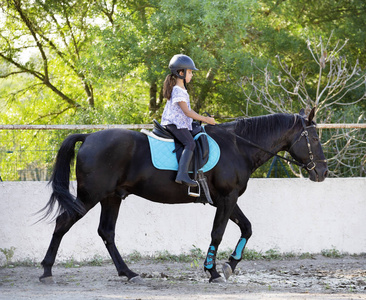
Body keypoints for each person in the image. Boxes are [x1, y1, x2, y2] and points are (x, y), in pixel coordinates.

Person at [161, 54, 216, 187]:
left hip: (179, 123)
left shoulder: (181, 89)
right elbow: (187, 112)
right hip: (174, 124)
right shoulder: (178, 91)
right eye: (190, 72)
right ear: (181, 73)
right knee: (190, 143)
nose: (191, 75)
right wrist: (206, 119)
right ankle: (182, 174)